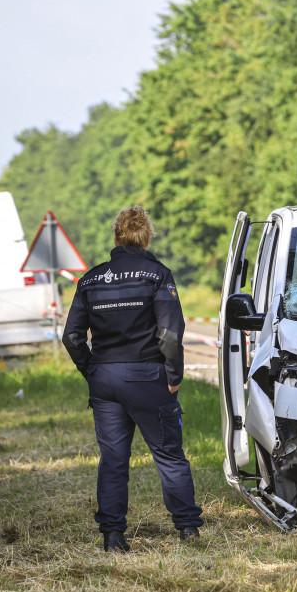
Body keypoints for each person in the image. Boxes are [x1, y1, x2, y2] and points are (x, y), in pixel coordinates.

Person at [62, 205, 202, 552]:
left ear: (116, 236)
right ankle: (187, 528)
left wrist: (91, 370)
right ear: (147, 236)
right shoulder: (157, 275)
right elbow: (170, 333)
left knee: (113, 459)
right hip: (147, 376)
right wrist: (174, 375)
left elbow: (72, 337)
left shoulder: (91, 279)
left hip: (105, 379)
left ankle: (113, 536)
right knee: (168, 455)